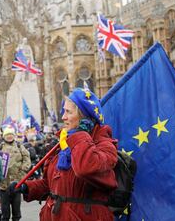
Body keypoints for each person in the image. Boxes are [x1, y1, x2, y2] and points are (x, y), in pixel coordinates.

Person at [10, 88, 118, 220]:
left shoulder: (104, 144)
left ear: (83, 116)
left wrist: (79, 135)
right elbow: (51, 185)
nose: (63, 117)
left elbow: (85, 169)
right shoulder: (62, 144)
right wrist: (27, 187)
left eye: (68, 112)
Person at [0, 127, 31, 221]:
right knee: (5, 213)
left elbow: (27, 159)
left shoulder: (19, 146)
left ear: (14, 136)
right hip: (3, 185)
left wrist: (23, 170)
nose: (9, 136)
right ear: (4, 136)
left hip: (16, 183)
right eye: (7, 135)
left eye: (11, 134)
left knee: (16, 212)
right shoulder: (0, 147)